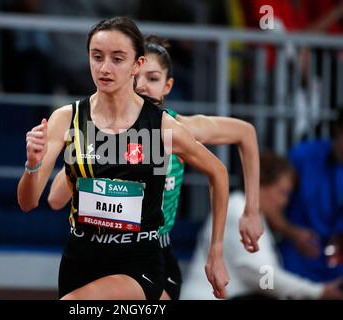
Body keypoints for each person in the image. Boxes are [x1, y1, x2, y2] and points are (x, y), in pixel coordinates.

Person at [17, 17, 230, 300]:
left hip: (138, 262)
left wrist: (215, 251)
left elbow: (218, 172)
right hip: (80, 260)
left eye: (117, 59)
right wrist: (33, 163)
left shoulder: (161, 126)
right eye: (97, 57)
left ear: (137, 64)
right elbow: (28, 202)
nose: (105, 68)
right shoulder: (66, 119)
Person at [47, 35, 264, 300]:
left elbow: (246, 134)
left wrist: (251, 211)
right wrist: (84, 163)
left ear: (168, 86)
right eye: (137, 78)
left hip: (152, 253)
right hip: (100, 252)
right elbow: (55, 200)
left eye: (153, 79)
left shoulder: (180, 130)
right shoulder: (101, 133)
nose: (143, 87)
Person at [181, 151, 343, 300]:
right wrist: (317, 291)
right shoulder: (238, 210)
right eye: (281, 192)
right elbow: (263, 276)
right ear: (258, 185)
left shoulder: (248, 213)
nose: (284, 202)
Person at [267, 109, 343, 282]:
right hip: (297, 261)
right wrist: (291, 232)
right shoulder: (303, 157)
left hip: (337, 268)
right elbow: (265, 202)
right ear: (338, 129)